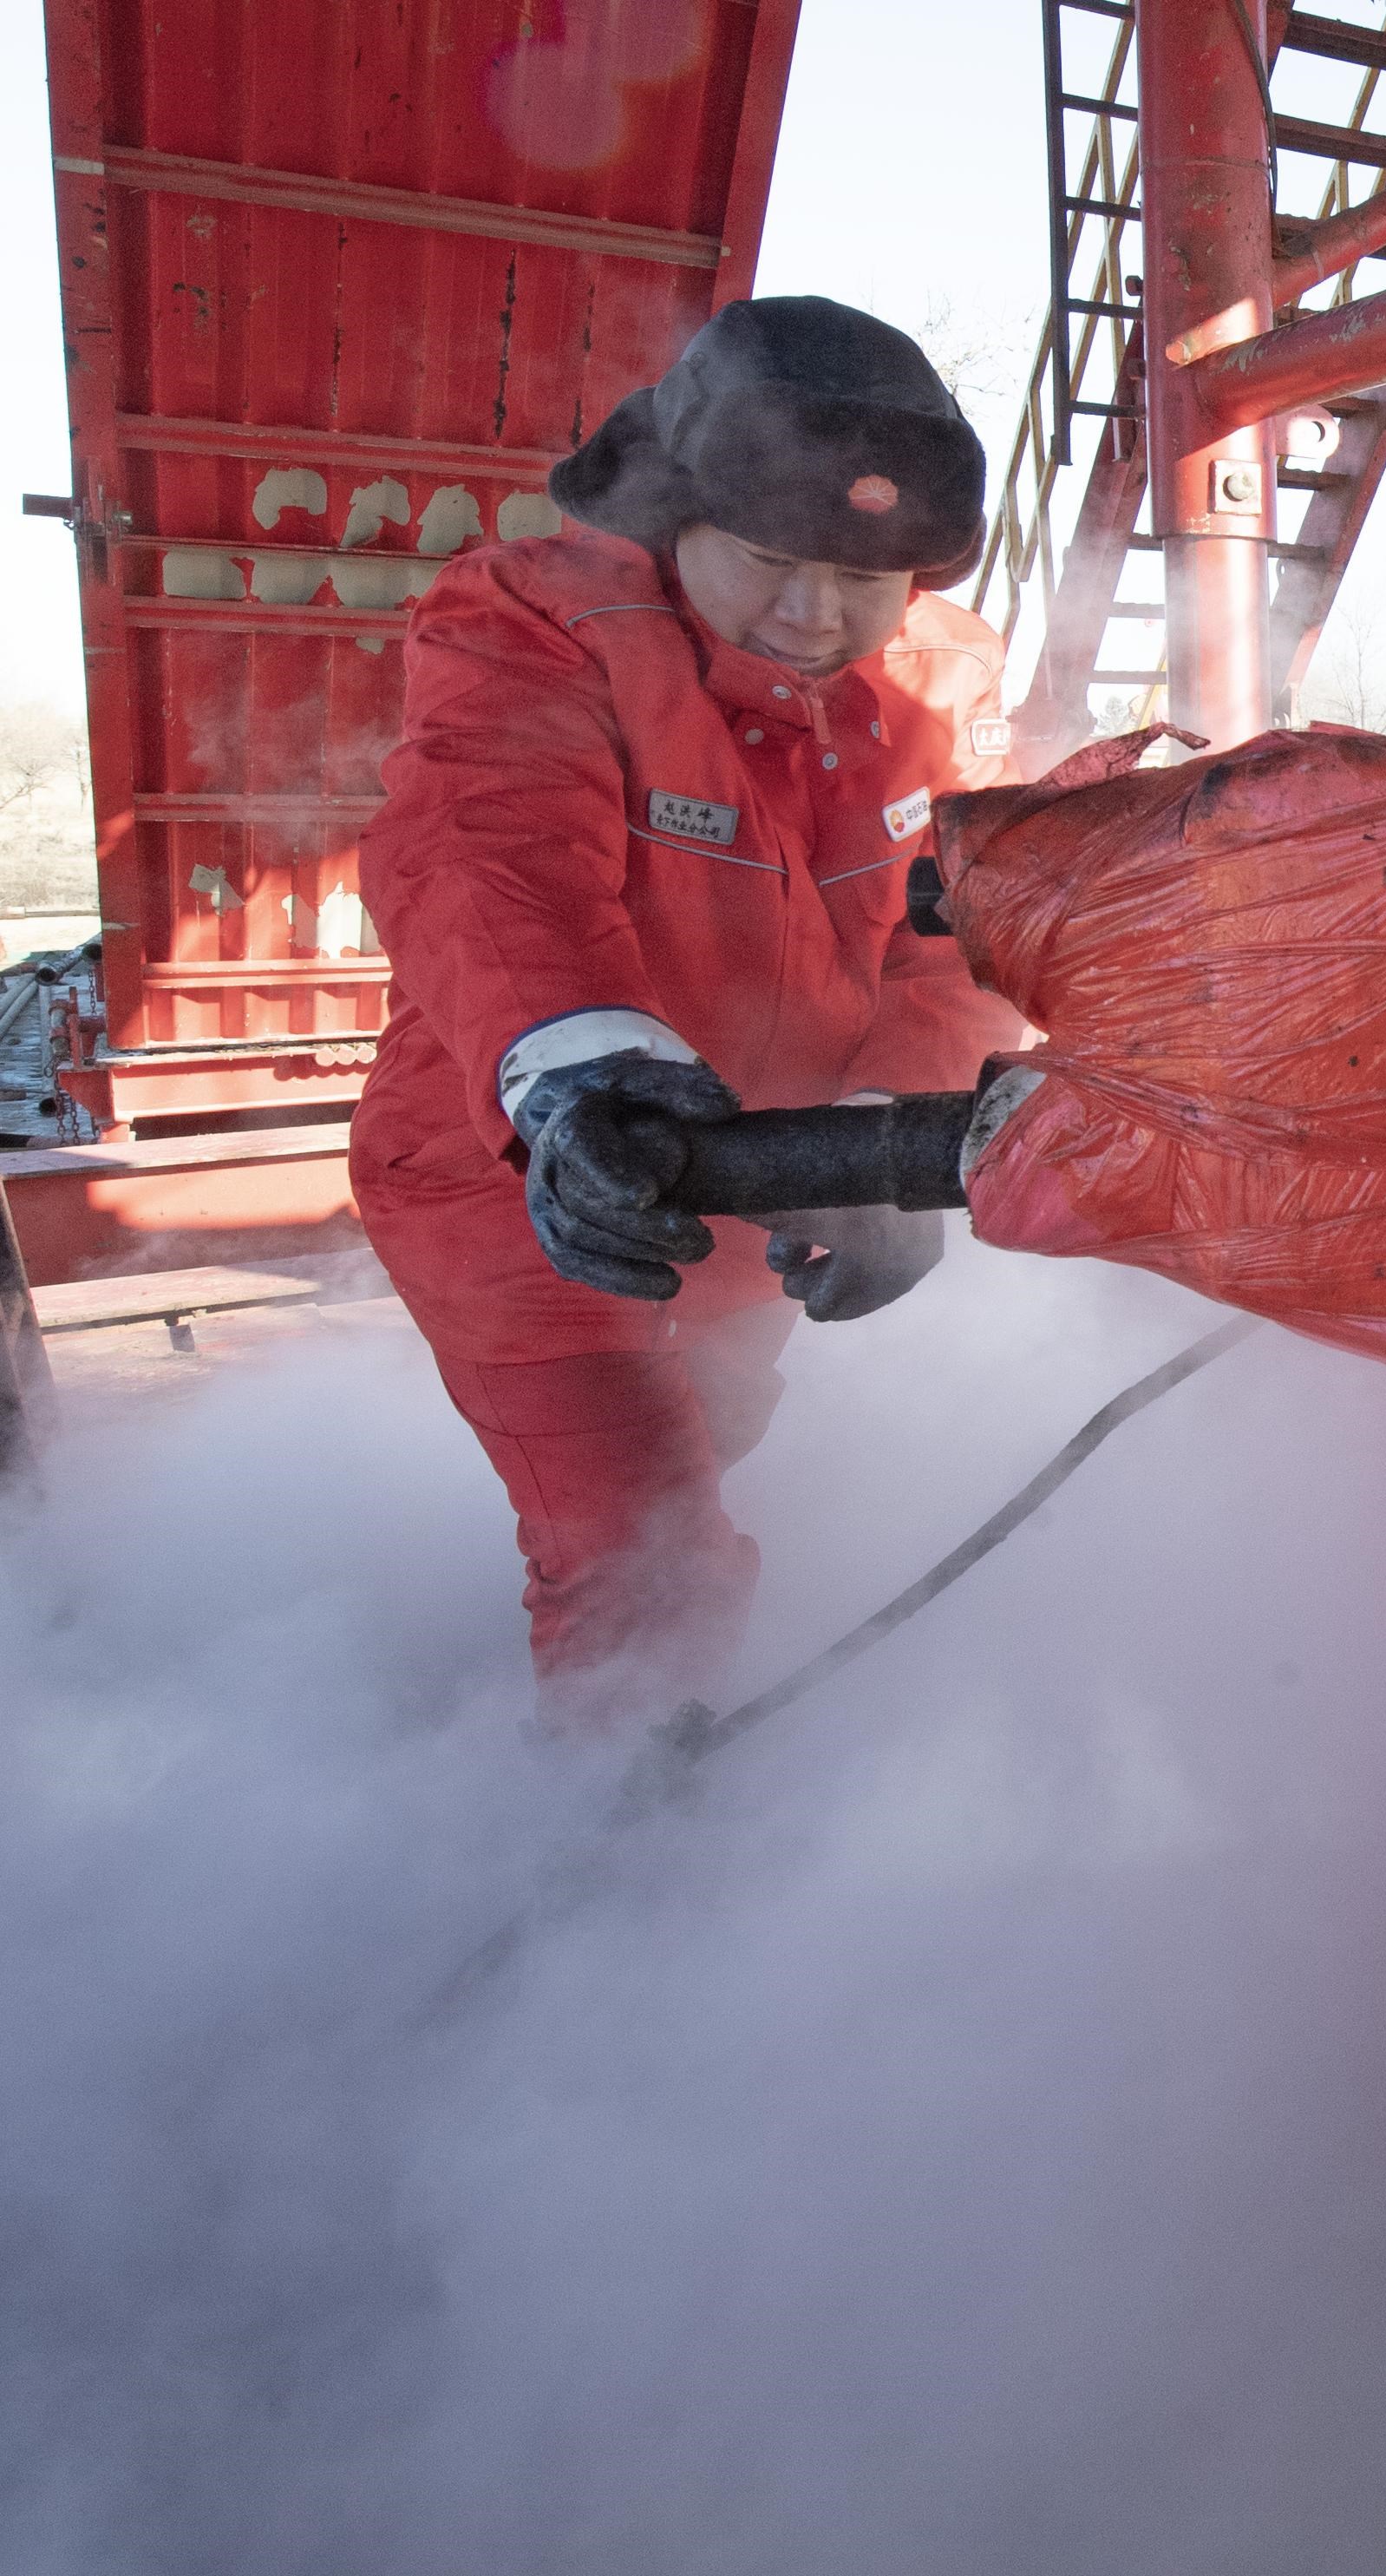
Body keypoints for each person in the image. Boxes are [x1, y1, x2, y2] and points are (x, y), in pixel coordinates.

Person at [350, 298, 1026, 1723]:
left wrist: (886, 1144)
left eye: (866, 576)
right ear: (674, 509)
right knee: (645, 1555)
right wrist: (580, 1078)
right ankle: (617, 1840)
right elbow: (488, 852)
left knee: (701, 1455)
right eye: (771, 561)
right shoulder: (537, 621)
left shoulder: (944, 678)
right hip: (535, 1175)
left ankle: (573, 1679)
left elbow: (958, 945)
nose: (816, 615)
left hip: (766, 1178)